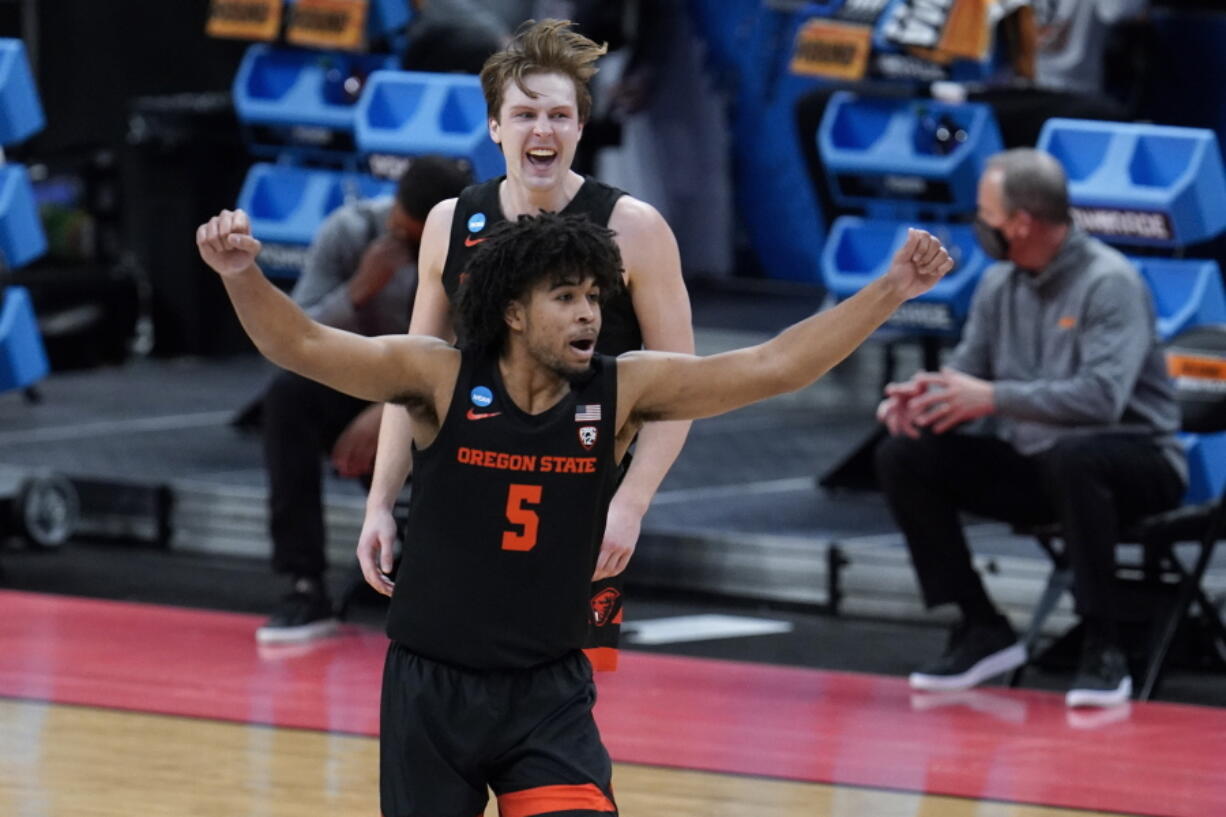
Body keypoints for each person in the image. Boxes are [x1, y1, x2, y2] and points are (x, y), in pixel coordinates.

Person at [196, 204, 952, 817]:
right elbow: (298, 341)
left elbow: (774, 365)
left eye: (594, 295)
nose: (589, 313)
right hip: (432, 693)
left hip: (547, 693)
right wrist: (240, 274)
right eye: (566, 296)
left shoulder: (622, 389)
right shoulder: (439, 377)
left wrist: (888, 291)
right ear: (516, 313)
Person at [362, 18, 696, 670]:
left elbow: (681, 389)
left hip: (572, 497)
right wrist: (381, 504)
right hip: (461, 490)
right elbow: (409, 380)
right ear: (494, 127)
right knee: (439, 675)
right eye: (524, 114)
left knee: (562, 687)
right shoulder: (449, 222)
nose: (541, 129)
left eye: (558, 115)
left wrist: (630, 505)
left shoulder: (635, 229)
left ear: (578, 128)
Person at [873, 148, 1187, 708]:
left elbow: (1102, 400)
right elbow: (967, 373)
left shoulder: (1109, 282)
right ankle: (981, 626)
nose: (978, 224)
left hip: (1139, 462)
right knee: (903, 455)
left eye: (985, 212)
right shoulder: (999, 285)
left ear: (1021, 222)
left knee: (1076, 458)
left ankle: (1104, 647)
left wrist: (992, 398)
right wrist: (922, 397)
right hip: (1044, 463)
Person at [256, 156, 471, 643]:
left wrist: (391, 407)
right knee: (286, 398)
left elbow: (478, 358)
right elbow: (295, 341)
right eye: (406, 232)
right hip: (355, 386)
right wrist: (358, 291)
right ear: (394, 212)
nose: (411, 245)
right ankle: (303, 586)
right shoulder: (348, 232)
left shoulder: (476, 251)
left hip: (434, 401)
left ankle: (434, 573)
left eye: (423, 239)